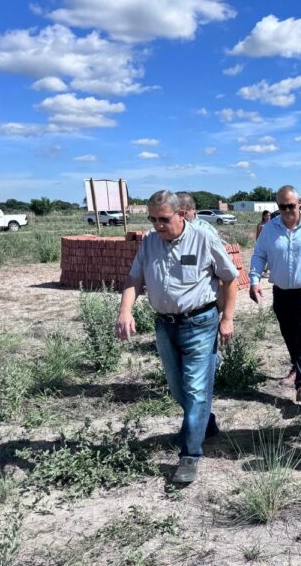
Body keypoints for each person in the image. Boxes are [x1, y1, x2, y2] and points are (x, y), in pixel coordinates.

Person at [116, 190, 238, 484]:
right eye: (152, 219)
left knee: (196, 389)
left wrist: (227, 318)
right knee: (176, 386)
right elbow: (135, 278)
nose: (158, 225)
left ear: (181, 215)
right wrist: (125, 311)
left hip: (200, 322)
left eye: (164, 219)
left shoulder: (204, 239)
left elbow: (230, 277)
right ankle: (204, 423)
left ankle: (190, 454)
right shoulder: (149, 243)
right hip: (165, 325)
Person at [249, 186, 301, 402]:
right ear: (277, 206)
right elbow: (259, 255)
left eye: (291, 205)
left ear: (299, 203)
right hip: (281, 293)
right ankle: (297, 367)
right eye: (282, 206)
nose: (288, 210)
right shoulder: (269, 229)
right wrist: (254, 280)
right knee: (290, 334)